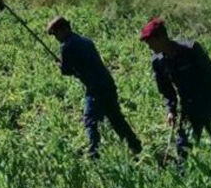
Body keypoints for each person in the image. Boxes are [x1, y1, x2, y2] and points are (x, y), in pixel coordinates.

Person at [47, 16, 142, 158]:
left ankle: (94, 153)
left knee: (90, 120)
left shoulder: (66, 46)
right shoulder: (85, 40)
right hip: (107, 83)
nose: (56, 38)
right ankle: (135, 146)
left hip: (95, 89)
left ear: (64, 29)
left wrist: (60, 65)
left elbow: (66, 71)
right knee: (116, 118)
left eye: (56, 34)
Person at [140, 17, 211, 157]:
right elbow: (166, 89)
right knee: (183, 146)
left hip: (210, 103)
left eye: (151, 42)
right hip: (189, 107)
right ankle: (182, 170)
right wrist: (171, 109)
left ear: (162, 38)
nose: (149, 47)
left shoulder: (191, 49)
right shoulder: (158, 62)